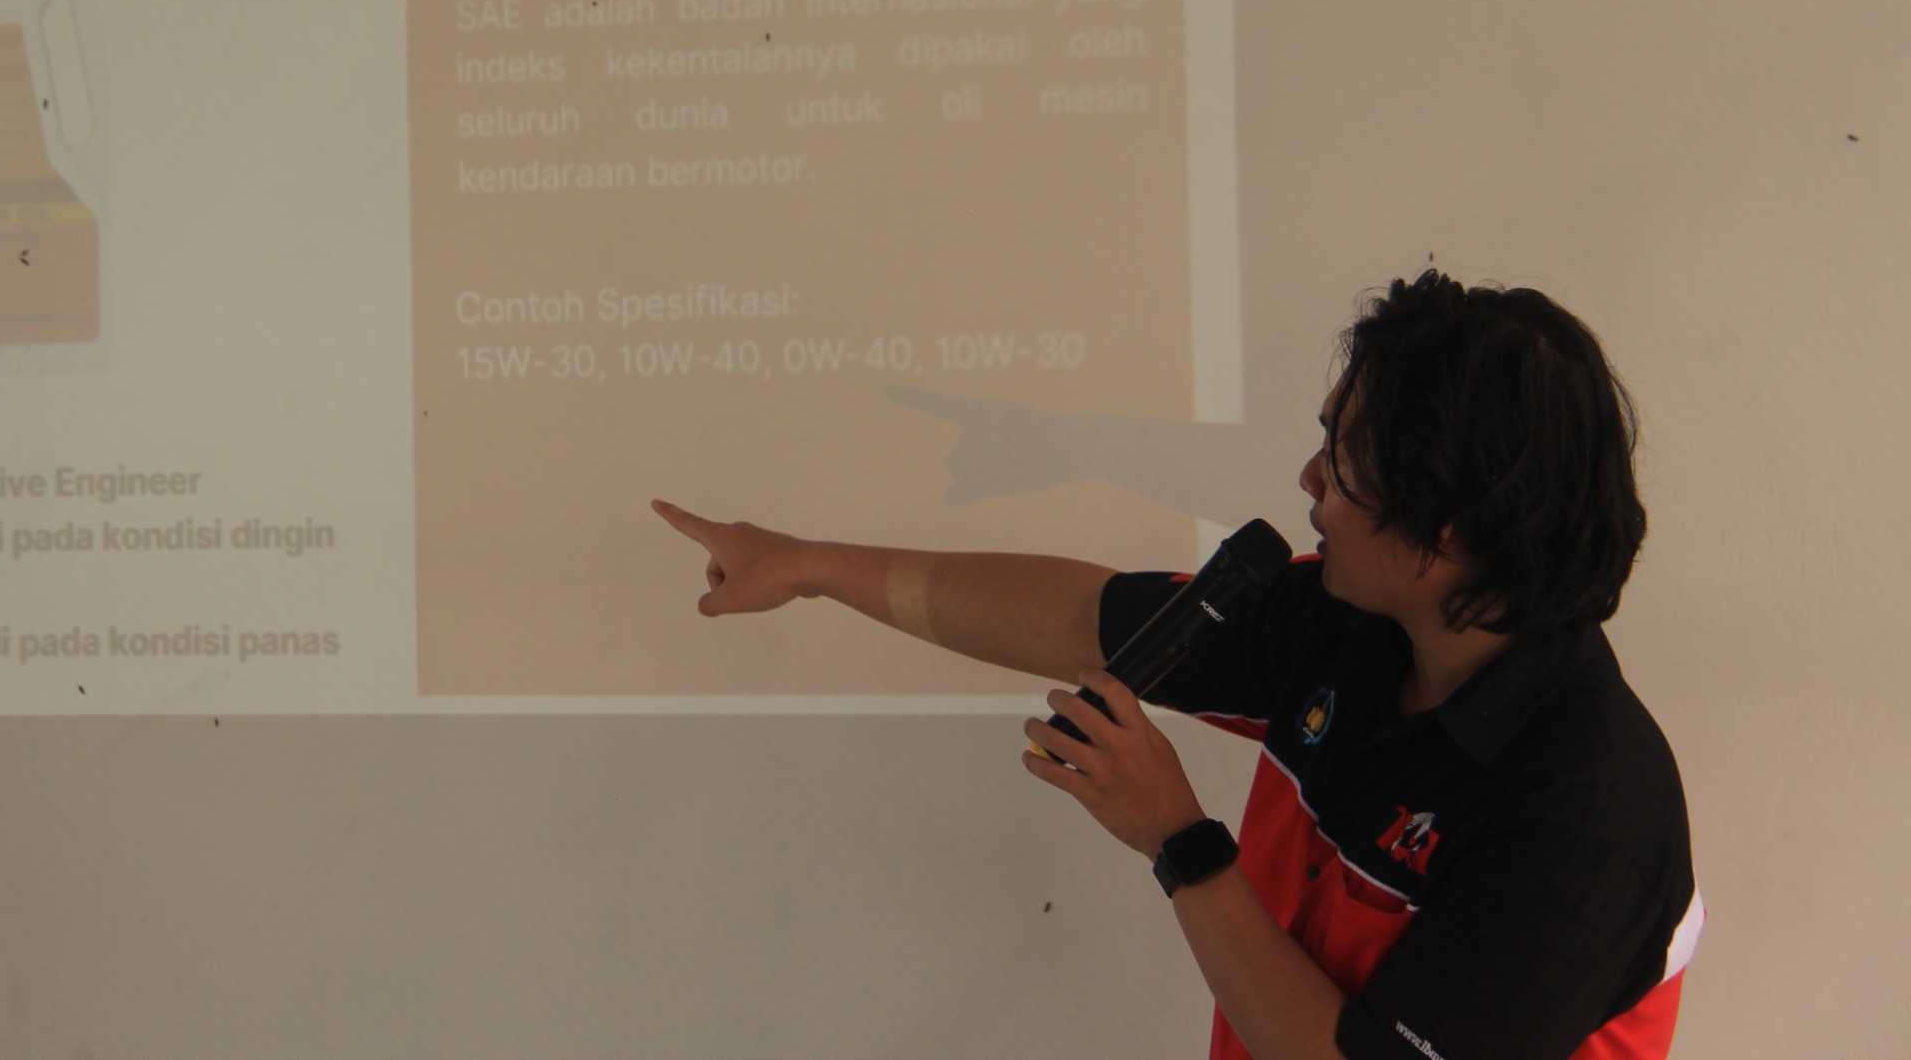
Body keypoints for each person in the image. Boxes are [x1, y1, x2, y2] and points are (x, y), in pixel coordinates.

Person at [655, 272, 1699, 1060]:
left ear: (1446, 531)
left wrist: (1179, 839)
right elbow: (1082, 616)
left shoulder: (1584, 814)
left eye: (1343, 463)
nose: (1308, 479)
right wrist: (810, 565)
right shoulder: (1348, 621)